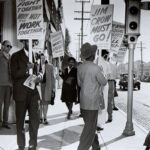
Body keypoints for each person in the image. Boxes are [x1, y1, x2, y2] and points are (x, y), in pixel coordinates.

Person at [10, 40, 42, 150]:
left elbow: (41, 72)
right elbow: (13, 74)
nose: (32, 43)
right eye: (29, 41)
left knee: (35, 121)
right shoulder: (15, 56)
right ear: (24, 42)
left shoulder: (37, 56)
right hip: (21, 94)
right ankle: (21, 145)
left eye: (34, 41)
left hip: (34, 94)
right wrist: (26, 69)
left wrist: (40, 77)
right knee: (20, 122)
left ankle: (33, 144)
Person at [77, 43, 107, 150]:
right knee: (89, 129)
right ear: (93, 55)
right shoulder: (96, 68)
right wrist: (103, 74)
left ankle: (95, 146)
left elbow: (80, 83)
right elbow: (103, 82)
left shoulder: (80, 67)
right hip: (93, 102)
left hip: (83, 101)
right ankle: (82, 148)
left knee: (90, 126)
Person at [39, 53, 55, 125]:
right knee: (39, 103)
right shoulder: (37, 65)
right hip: (39, 86)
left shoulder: (50, 66)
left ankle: (45, 117)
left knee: (45, 103)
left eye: (44, 58)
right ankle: (40, 118)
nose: (42, 59)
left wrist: (53, 88)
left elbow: (53, 78)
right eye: (41, 58)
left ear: (46, 58)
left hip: (47, 86)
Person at [97, 49, 111, 131]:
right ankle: (100, 123)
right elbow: (108, 76)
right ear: (105, 55)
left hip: (95, 84)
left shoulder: (95, 61)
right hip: (104, 84)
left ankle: (95, 122)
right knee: (103, 103)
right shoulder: (106, 63)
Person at [0, 40, 12, 129]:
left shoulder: (11, 57)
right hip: (1, 83)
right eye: (7, 46)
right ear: (2, 46)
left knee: (7, 104)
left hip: (9, 84)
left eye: (10, 46)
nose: (9, 48)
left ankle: (5, 122)